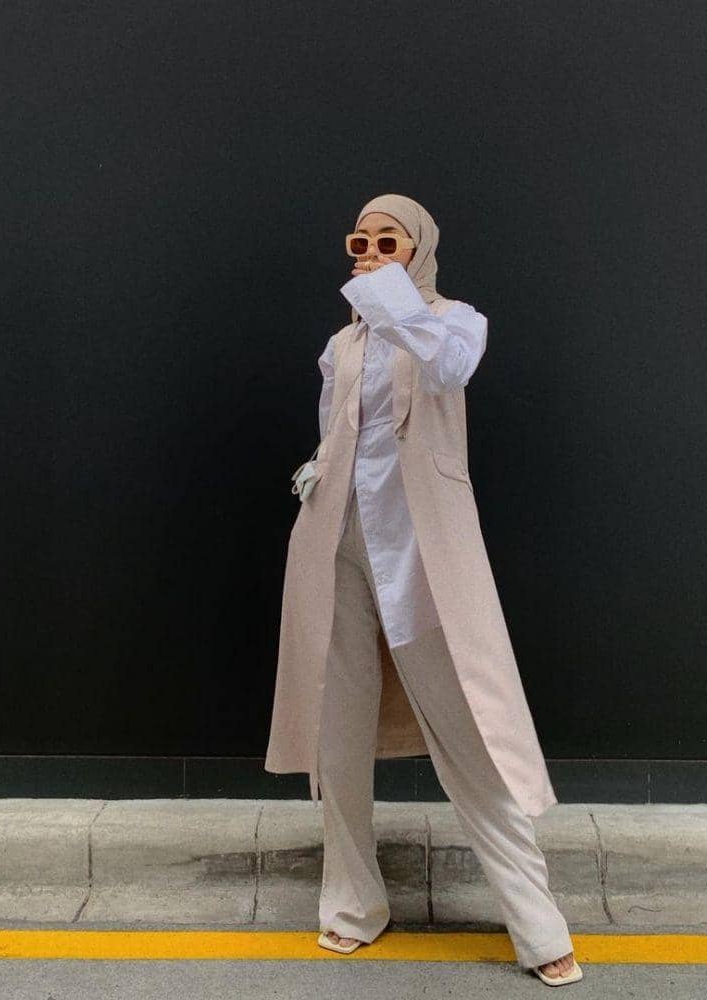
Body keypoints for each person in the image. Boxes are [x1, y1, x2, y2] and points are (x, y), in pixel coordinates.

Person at [268, 193, 581, 987]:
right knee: (337, 736)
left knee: (471, 730)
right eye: (362, 241)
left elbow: (446, 367)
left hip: (422, 553)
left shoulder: (453, 322)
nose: (373, 252)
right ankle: (352, 906)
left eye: (390, 241)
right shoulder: (342, 343)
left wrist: (388, 295)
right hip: (335, 544)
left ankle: (539, 926)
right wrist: (315, 475)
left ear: (420, 249)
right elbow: (335, 432)